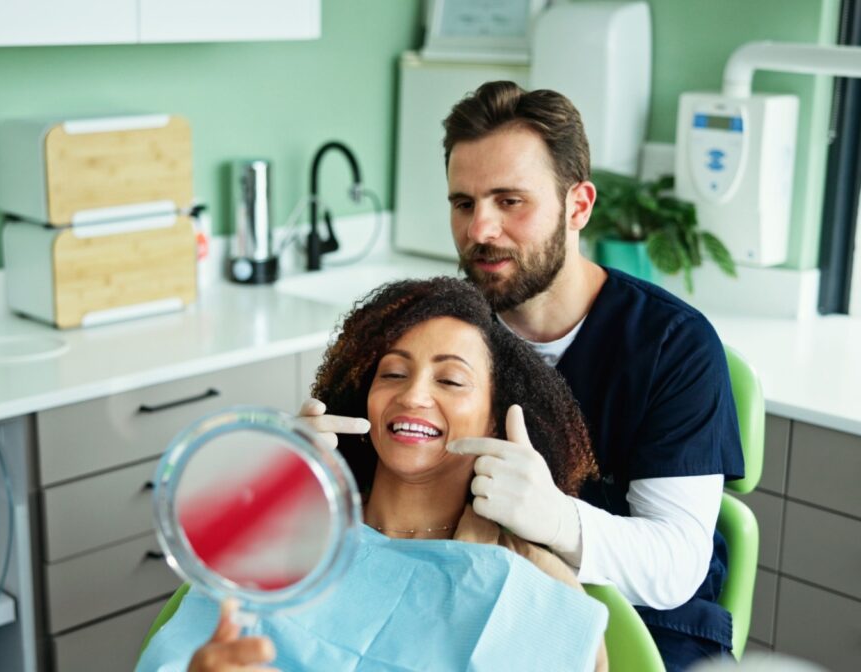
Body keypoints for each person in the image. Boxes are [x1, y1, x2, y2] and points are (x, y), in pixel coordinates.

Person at [302, 81, 744, 671]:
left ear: (578, 205)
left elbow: (674, 567)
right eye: (464, 203)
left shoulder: (672, 347)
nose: (480, 230)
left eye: (510, 201)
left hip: (646, 629)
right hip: (461, 604)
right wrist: (296, 474)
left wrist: (555, 519)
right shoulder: (441, 330)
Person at [144, 277, 607, 672]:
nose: (413, 396)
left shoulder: (523, 579)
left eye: (449, 380)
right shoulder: (283, 536)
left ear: (495, 418)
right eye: (393, 374)